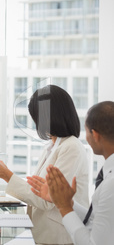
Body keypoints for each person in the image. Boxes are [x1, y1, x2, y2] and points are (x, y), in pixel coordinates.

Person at [0, 85, 89, 244]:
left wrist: (6, 174)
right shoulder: (52, 147)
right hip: (44, 237)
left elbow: (46, 200)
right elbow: (38, 196)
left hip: (61, 239)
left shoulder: (71, 147)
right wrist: (3, 230)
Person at [28, 101, 114, 245]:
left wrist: (64, 207)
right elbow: (96, 219)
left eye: (86, 131)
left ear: (95, 135)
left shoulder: (110, 185)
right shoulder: (108, 175)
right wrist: (68, 203)